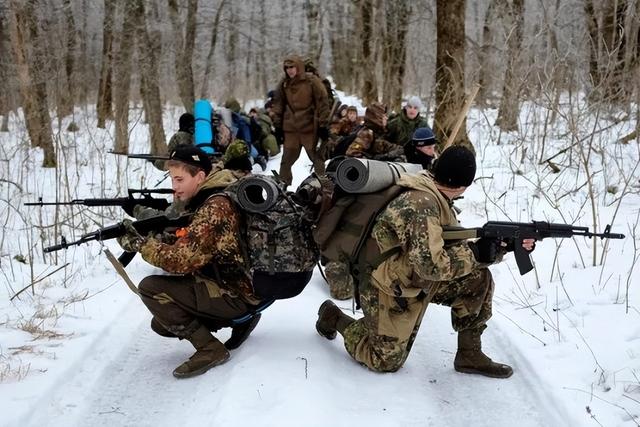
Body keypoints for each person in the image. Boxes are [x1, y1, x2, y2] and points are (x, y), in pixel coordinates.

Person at [315, 146, 536, 377]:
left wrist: (500, 248)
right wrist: (477, 254)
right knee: (384, 359)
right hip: (386, 284)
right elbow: (431, 266)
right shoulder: (421, 204)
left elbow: (446, 247)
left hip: (412, 275)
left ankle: (469, 354)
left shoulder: (433, 190)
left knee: (477, 280)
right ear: (464, 185)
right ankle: (334, 316)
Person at [117, 145, 263, 379]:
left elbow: (181, 261)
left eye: (179, 180)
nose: (174, 188)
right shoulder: (219, 192)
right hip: (246, 287)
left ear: (201, 176)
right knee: (162, 324)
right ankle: (242, 321)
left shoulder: (215, 206)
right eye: (172, 180)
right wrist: (157, 238)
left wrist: (138, 245)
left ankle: (211, 349)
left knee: (151, 288)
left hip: (236, 294)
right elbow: (196, 241)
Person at [271, 54, 330, 186]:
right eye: (287, 68)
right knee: (286, 161)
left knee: (317, 159)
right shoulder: (284, 83)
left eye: (292, 67)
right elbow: (278, 104)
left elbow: (323, 102)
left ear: (298, 67)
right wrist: (278, 127)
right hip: (291, 129)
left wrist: (322, 125)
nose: (289, 70)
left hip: (310, 128)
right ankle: (282, 188)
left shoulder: (311, 81)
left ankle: (324, 187)